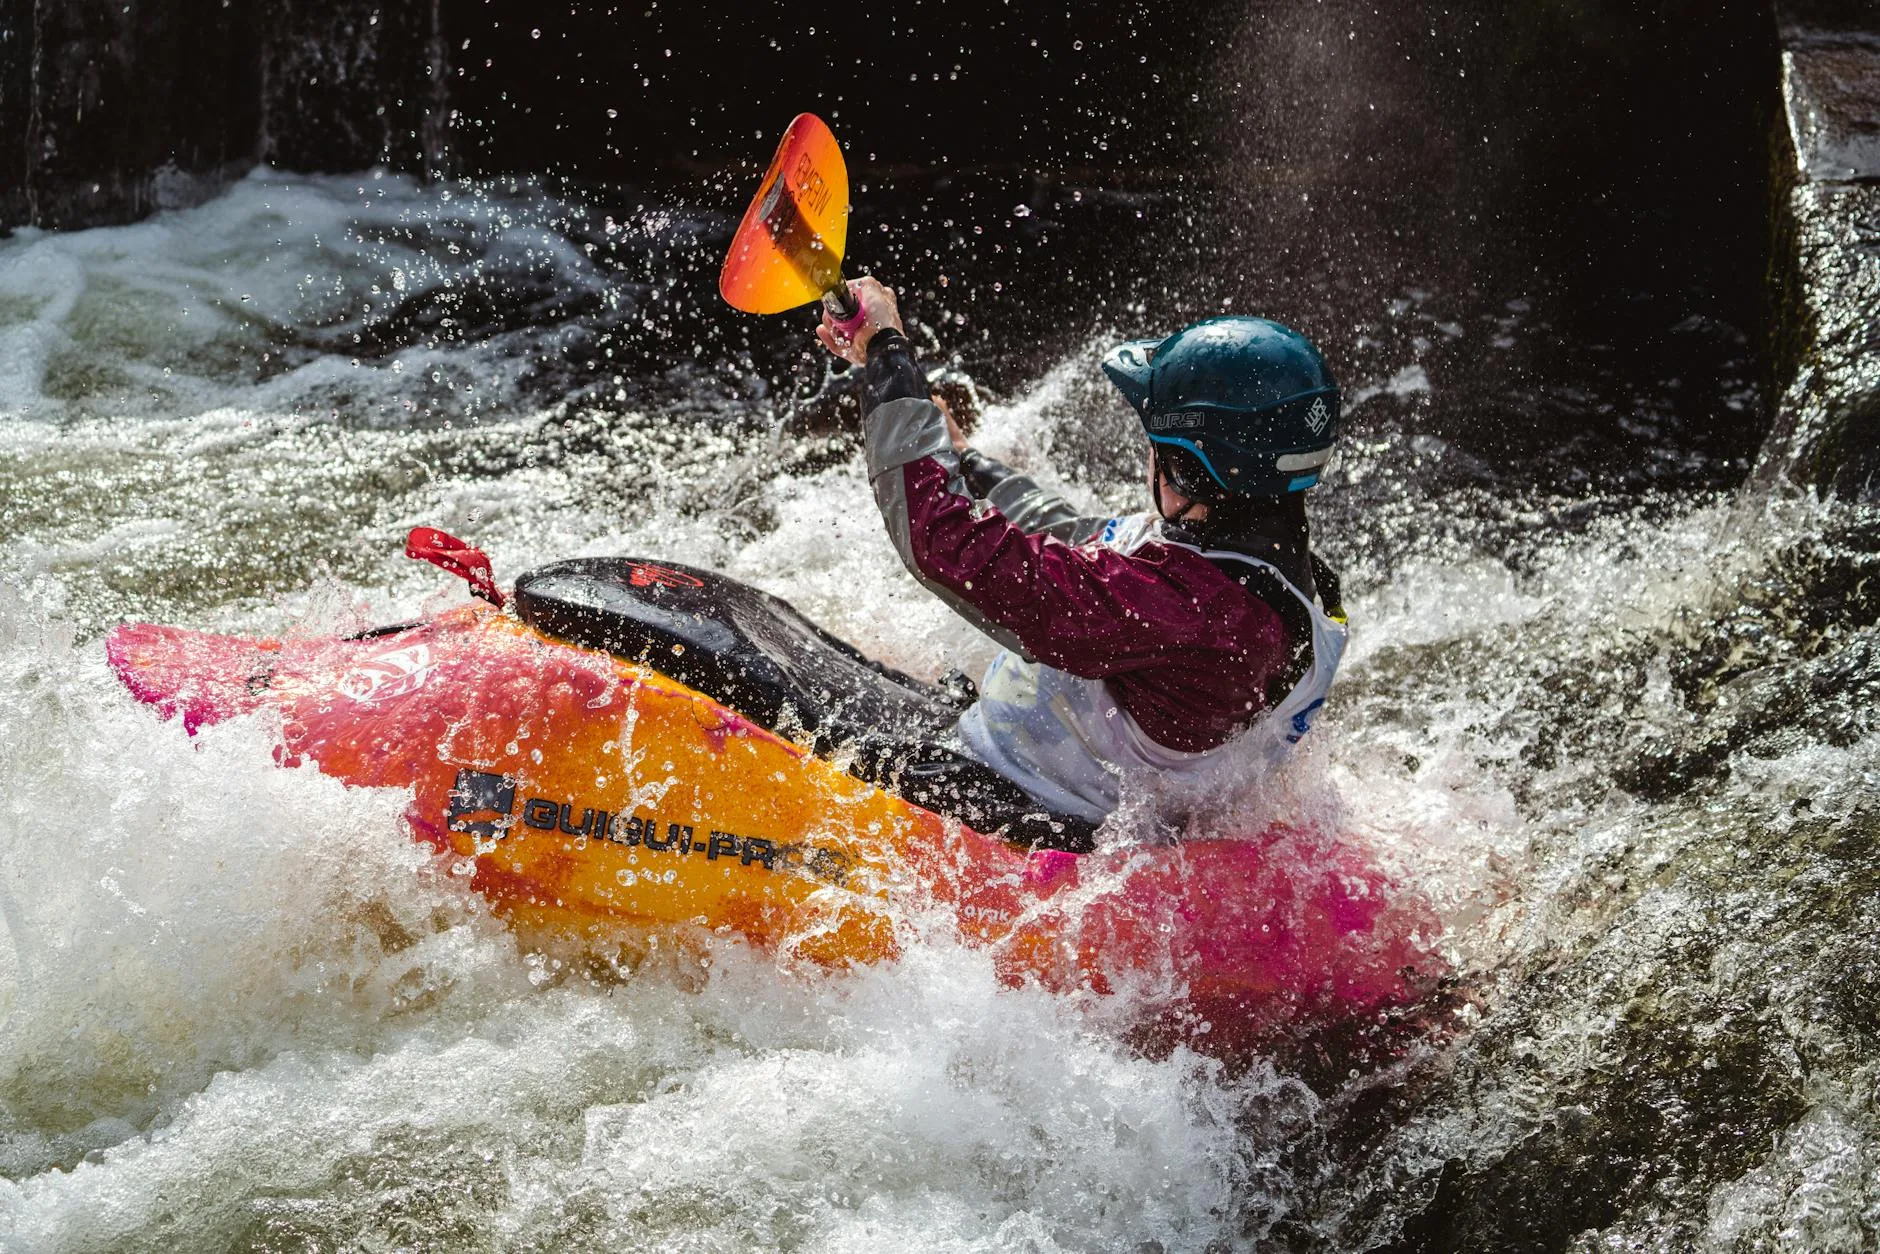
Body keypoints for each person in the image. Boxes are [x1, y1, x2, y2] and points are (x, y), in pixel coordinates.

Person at [817, 277, 1348, 836]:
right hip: (1048, 782)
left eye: (1156, 446)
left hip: (1015, 813)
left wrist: (887, 355)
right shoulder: (1283, 578)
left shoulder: (1182, 612)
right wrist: (963, 457)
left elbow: (942, 541)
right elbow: (1080, 538)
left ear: (1190, 471)